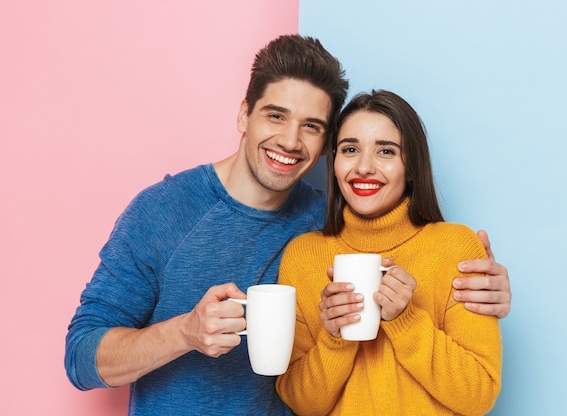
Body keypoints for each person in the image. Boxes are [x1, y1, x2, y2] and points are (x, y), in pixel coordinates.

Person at [64, 35, 509, 416]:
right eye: (276, 115)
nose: (290, 141)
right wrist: (183, 332)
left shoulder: (325, 224)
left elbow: (411, 244)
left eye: (311, 126)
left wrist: (486, 285)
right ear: (244, 115)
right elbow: (82, 356)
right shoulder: (162, 212)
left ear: (323, 148)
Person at [276, 90, 502, 415]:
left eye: (386, 151)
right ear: (334, 162)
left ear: (411, 167)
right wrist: (334, 338)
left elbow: (478, 395)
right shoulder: (303, 255)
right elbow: (301, 402)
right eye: (350, 149)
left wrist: (406, 321)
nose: (364, 167)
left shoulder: (456, 247)